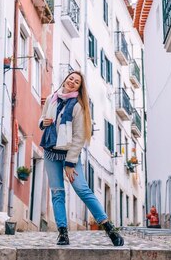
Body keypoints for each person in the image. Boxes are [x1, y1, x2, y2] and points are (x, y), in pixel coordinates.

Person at [39, 71, 124, 246]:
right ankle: (62, 233)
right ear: (65, 79)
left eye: (76, 82)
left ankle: (109, 227)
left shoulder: (78, 106)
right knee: (57, 193)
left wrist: (70, 164)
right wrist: (43, 122)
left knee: (82, 190)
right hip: (50, 151)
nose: (72, 82)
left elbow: (79, 138)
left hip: (69, 155)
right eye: (71, 78)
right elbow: (43, 118)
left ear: (79, 87)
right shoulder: (52, 98)